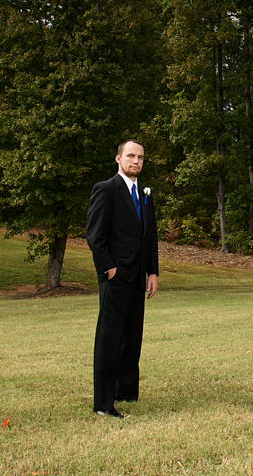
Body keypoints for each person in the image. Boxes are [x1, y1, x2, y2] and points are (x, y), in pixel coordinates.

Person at [86, 139, 159, 417]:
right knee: (110, 337)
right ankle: (104, 403)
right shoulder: (106, 190)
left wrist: (152, 271)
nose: (136, 161)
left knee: (132, 336)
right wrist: (109, 268)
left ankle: (126, 391)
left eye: (140, 157)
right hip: (115, 276)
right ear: (118, 159)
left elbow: (148, 235)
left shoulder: (144, 194)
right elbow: (94, 235)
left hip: (138, 277)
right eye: (130, 156)